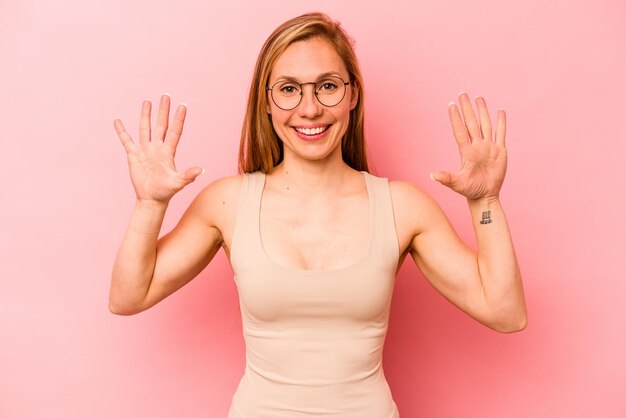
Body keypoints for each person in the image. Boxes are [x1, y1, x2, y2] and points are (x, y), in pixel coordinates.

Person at [109, 12, 527, 418]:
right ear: (266, 103)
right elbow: (130, 296)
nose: (310, 109)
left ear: (352, 94)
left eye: (327, 86)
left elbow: (504, 312)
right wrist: (149, 205)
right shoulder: (228, 203)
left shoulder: (402, 207)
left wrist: (486, 203)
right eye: (289, 89)